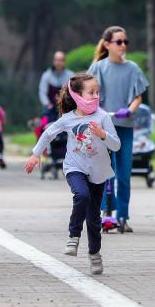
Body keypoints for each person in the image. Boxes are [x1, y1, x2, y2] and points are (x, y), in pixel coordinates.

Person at [25, 72, 121, 275]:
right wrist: (35, 154)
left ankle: (94, 254)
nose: (95, 96)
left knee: (94, 219)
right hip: (74, 167)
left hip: (98, 171)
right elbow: (48, 133)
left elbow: (117, 144)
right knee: (81, 195)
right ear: (77, 95)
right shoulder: (67, 119)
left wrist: (103, 135)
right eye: (90, 92)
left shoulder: (102, 117)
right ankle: (73, 235)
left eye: (97, 92)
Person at [88, 26, 149, 233]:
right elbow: (89, 94)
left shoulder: (132, 68)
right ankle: (107, 214)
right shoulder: (98, 68)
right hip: (103, 128)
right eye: (118, 42)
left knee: (123, 173)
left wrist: (129, 110)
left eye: (125, 41)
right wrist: (100, 110)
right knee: (107, 172)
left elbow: (138, 96)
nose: (123, 45)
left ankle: (123, 216)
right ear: (107, 44)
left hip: (124, 127)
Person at [40, 51, 74, 122]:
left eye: (60, 60)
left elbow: (73, 93)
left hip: (65, 108)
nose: (58, 62)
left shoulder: (70, 76)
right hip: (50, 108)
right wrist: (47, 104)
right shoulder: (46, 75)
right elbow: (42, 92)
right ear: (53, 61)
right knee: (44, 123)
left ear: (64, 62)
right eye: (56, 60)